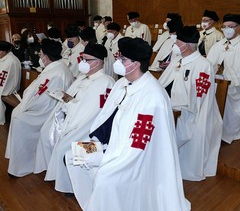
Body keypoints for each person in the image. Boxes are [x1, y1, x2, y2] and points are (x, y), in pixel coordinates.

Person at [66, 37, 190, 211]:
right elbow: (107, 117)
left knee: (105, 178)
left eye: (122, 59)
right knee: (72, 155)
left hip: (132, 157)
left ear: (136, 64)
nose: (117, 62)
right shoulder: (122, 83)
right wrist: (95, 141)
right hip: (109, 145)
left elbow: (139, 145)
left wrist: (112, 161)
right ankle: (94, 203)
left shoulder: (153, 96)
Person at [38, 43, 115, 194]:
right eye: (82, 59)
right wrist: (65, 99)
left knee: (62, 149)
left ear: (98, 62)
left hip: (86, 128)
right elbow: (76, 100)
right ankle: (56, 174)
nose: (82, 63)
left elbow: (93, 112)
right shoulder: (82, 78)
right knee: (45, 133)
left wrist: (70, 106)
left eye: (86, 60)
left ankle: (68, 186)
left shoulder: (105, 82)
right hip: (72, 118)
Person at [159, 26, 223, 181]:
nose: (174, 44)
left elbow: (199, 98)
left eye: (177, 41)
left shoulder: (203, 65)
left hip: (191, 113)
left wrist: (176, 105)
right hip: (170, 108)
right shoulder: (178, 60)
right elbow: (163, 84)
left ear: (185, 45)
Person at [5, 39, 74, 177]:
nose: (40, 57)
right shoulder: (56, 68)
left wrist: (26, 105)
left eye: (41, 54)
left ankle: (23, 165)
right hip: (45, 107)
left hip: (48, 113)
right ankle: (19, 162)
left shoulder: (57, 72)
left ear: (46, 56)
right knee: (17, 115)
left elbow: (42, 98)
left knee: (19, 120)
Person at [207, 14, 240, 144]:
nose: (227, 29)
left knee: (232, 106)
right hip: (217, 83)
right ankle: (215, 132)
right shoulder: (218, 45)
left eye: (230, 27)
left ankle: (230, 131)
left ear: (238, 28)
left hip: (234, 86)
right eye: (225, 27)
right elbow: (208, 64)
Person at [0, 41, 21, 125]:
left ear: (4, 51)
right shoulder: (4, 58)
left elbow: (7, 79)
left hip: (11, 87)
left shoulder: (12, 61)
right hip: (5, 83)